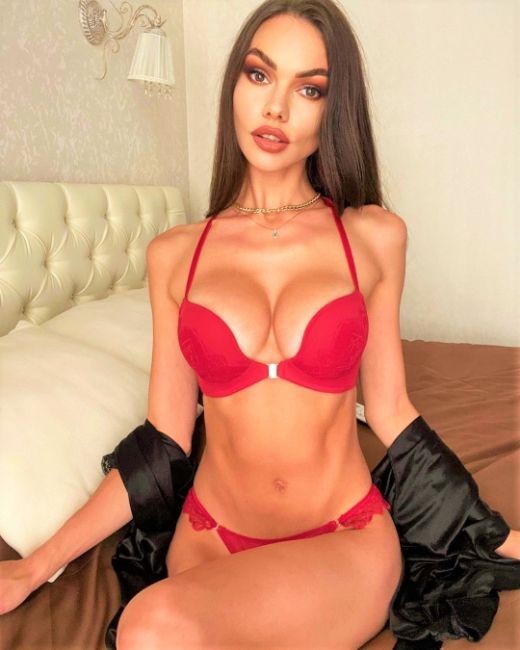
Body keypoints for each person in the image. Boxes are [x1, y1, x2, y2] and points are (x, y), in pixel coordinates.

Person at [1, 1, 520, 649]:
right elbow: (165, 437)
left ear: (334, 110)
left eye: (308, 89)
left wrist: (495, 534)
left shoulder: (372, 236)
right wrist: (35, 565)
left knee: (150, 629)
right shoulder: (175, 255)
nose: (275, 107)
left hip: (343, 533)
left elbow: (391, 411)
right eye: (259, 75)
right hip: (211, 536)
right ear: (234, 88)